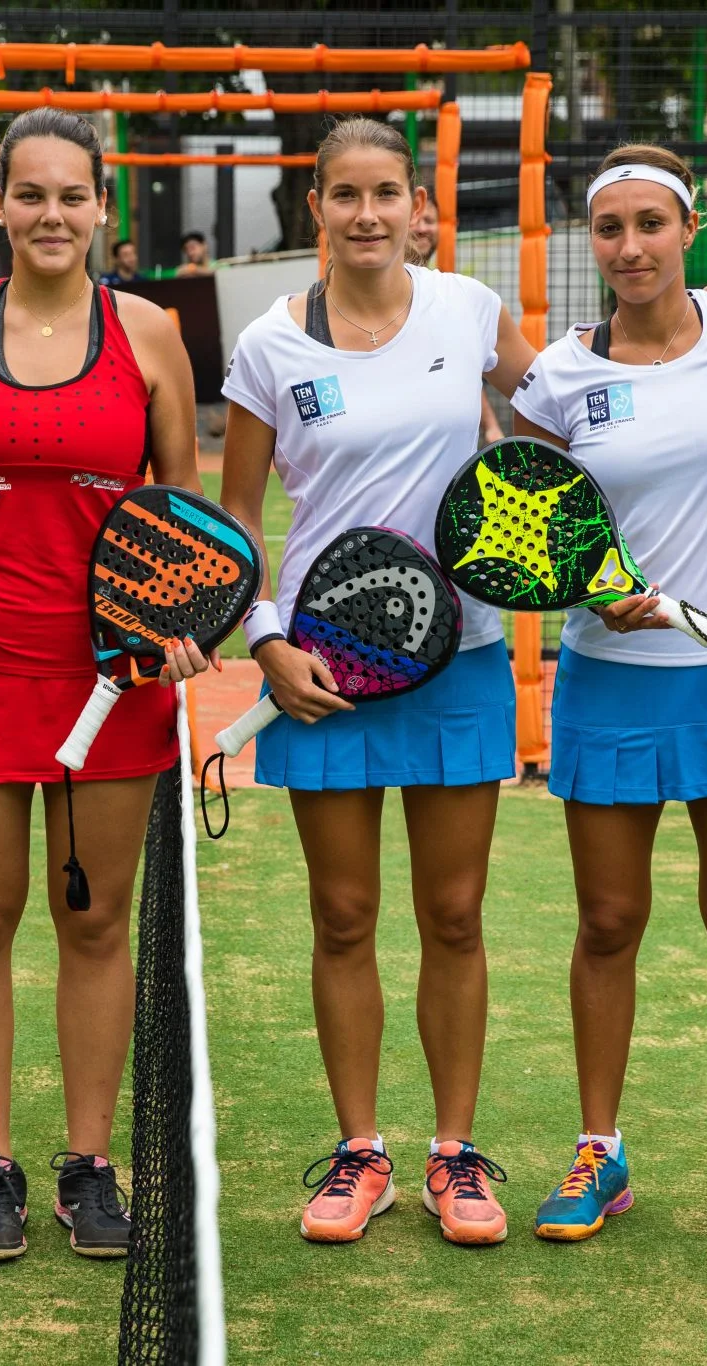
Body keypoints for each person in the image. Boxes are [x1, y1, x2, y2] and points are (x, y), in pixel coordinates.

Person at [0, 108, 209, 1263]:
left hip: (110, 678)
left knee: (92, 919)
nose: (52, 215)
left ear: (102, 206)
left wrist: (172, 624)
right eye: (30, 195)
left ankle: (87, 1163)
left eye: (72, 195)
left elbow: (185, 514)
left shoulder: (151, 333)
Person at [220, 118, 539, 1248]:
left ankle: (455, 1157)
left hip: (463, 659)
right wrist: (265, 642)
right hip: (322, 668)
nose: (366, 214)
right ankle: (360, 1151)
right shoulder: (266, 344)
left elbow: (567, 398)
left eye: (386, 193)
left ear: (418, 205)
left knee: (452, 915)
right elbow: (240, 516)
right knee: (343, 915)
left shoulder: (467, 311)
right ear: (313, 206)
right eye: (344, 194)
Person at [508, 144, 707, 1251]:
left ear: (692, 226)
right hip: (606, 681)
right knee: (606, 921)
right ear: (588, 240)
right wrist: (600, 586)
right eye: (607, 228)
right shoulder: (553, 376)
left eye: (650, 223)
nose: (629, 247)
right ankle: (599, 1148)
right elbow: (522, 528)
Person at [405, 188, 503, 444]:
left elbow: (458, 366)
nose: (423, 228)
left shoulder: (449, 292)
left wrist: (491, 425)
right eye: (417, 219)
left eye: (430, 221)